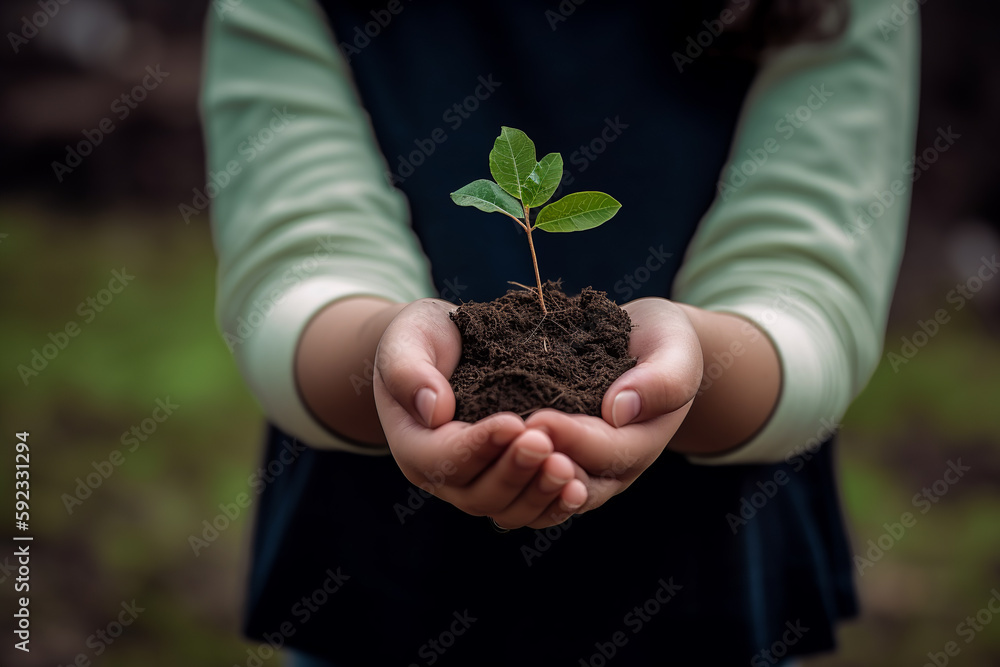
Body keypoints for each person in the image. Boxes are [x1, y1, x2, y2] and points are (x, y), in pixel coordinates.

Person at [201, 0, 918, 664]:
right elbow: (296, 263)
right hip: (381, 584)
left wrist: (689, 368)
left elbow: (807, 290)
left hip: (705, 590)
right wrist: (390, 358)